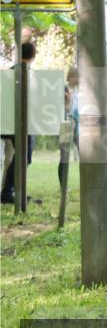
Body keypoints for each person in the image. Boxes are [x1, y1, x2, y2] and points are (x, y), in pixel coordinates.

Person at [1, 41, 37, 205]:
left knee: (22, 157)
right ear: (33, 56)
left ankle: (11, 191)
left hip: (11, 121)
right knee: (24, 157)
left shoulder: (10, 72)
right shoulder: (28, 74)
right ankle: (8, 192)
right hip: (21, 123)